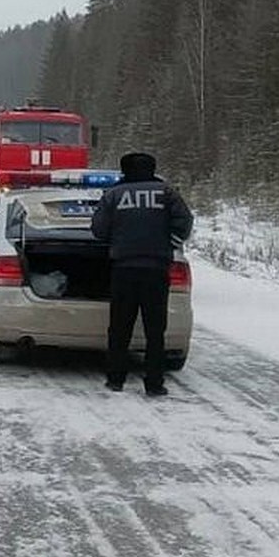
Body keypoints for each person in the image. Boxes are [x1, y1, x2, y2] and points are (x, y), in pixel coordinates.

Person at [90, 151, 193, 396]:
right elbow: (185, 222)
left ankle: (116, 379)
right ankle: (154, 383)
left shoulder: (114, 194)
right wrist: (170, 243)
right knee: (155, 329)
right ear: (152, 169)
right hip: (157, 269)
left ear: (125, 170)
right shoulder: (167, 193)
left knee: (120, 327)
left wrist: (117, 240)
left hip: (124, 268)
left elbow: (98, 230)